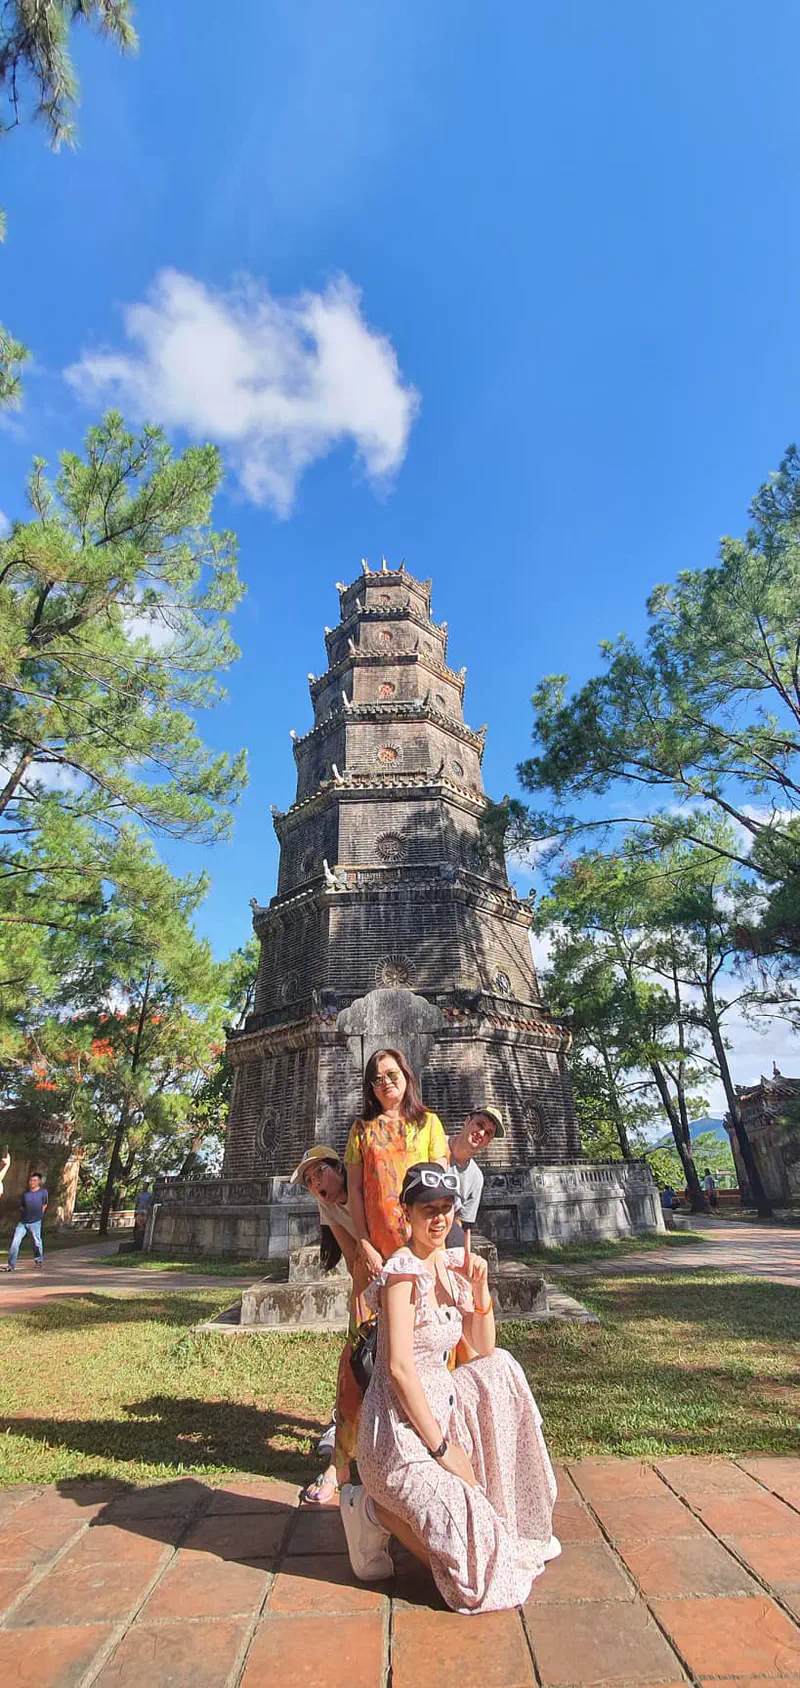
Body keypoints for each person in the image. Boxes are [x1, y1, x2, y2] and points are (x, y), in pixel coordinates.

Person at [340, 1161, 559, 1614]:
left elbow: (482, 1347)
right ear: (407, 1213)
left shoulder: (451, 1261)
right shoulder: (402, 1272)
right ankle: (370, 1509)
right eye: (427, 1209)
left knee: (501, 1368)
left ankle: (503, 1512)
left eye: (446, 1209)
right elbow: (399, 1369)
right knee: (481, 1578)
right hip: (400, 1434)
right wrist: (445, 1452)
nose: (438, 1219)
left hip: (443, 1410)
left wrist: (481, 1294)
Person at [290, 1144, 369, 1507]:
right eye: (308, 1179)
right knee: (352, 1367)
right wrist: (362, 1309)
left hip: (406, 1270)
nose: (315, 1181)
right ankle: (341, 1463)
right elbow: (354, 1257)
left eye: (319, 1171)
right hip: (372, 1278)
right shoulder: (326, 1204)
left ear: (340, 1166)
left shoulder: (368, 1183)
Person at [344, 1048, 448, 1280]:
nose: (386, 1082)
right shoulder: (361, 1130)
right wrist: (364, 1242)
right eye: (378, 1079)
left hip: (424, 1242)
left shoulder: (429, 1123)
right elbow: (355, 1190)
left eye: (392, 1074)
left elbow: (439, 1190)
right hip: (378, 1247)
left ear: (405, 1076)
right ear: (371, 1088)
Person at [446, 1105, 504, 1247]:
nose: (481, 1133)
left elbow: (462, 1224)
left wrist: (466, 1258)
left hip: (443, 1234)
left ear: (488, 1142)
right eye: (479, 1125)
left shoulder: (476, 1177)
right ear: (467, 1121)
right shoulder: (434, 1144)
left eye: (488, 1133)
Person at [4, 1172, 48, 1272]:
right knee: (15, 1242)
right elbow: (22, 1207)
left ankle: (38, 1260)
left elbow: (44, 1204)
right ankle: (11, 1265)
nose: (32, 1182)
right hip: (23, 1222)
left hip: (35, 1222)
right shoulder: (26, 1194)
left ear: (39, 1182)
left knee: (36, 1242)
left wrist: (40, 1215)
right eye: (31, 1180)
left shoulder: (43, 1192)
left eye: (34, 1181)